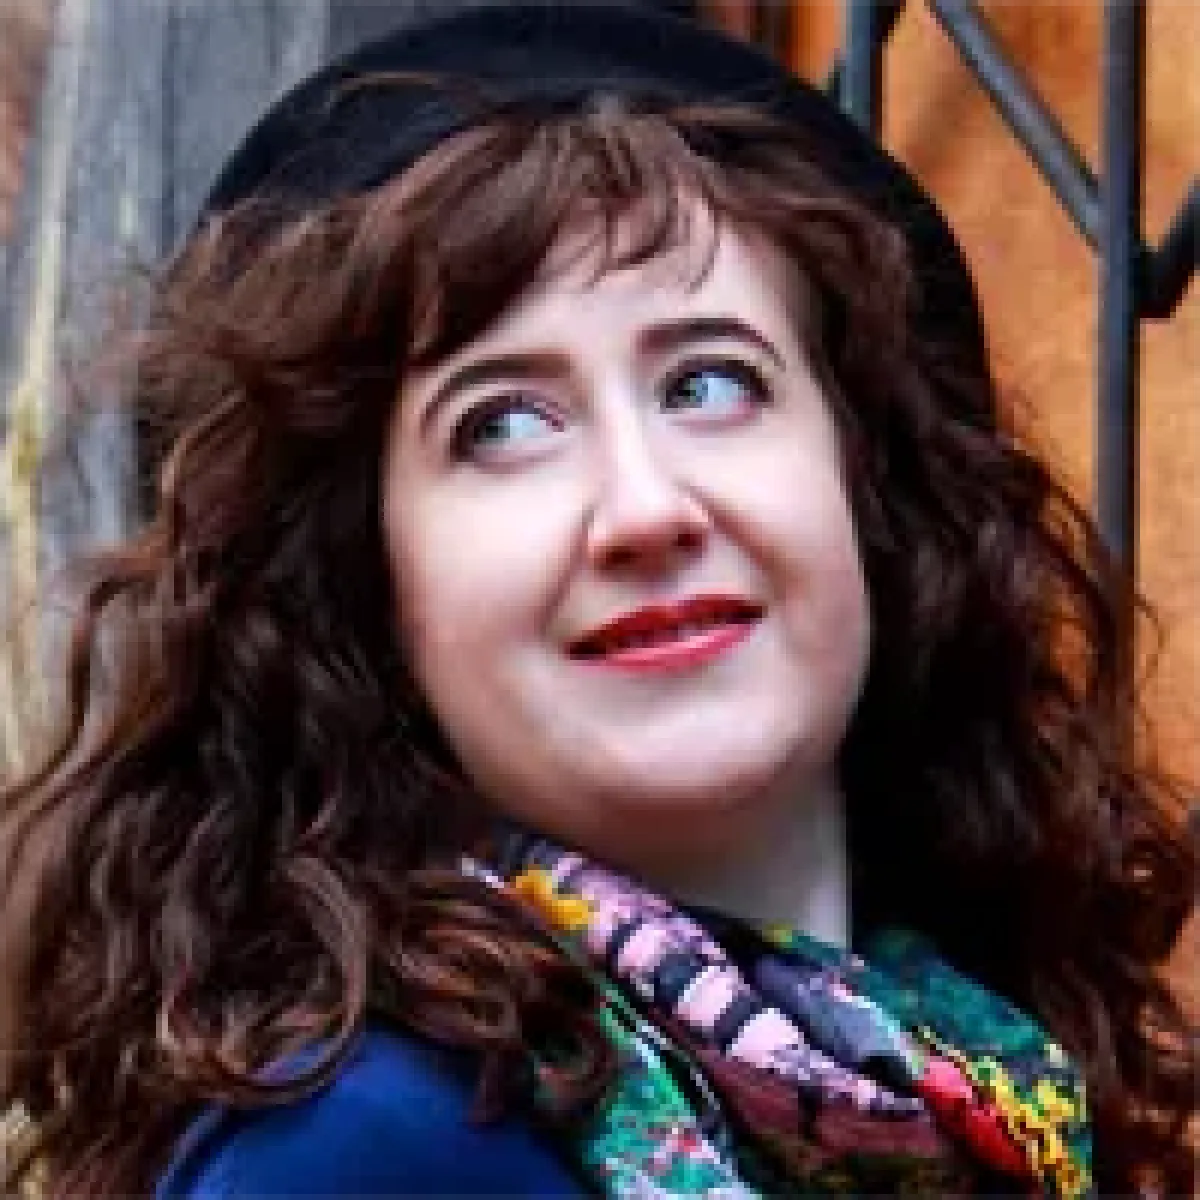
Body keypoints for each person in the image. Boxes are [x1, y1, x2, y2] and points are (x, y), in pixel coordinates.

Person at [0, 4, 1195, 1197]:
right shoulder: (361, 1151)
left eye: (710, 384)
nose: (645, 507)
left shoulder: (997, 1089)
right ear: (365, 595)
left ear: (868, 488)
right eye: (503, 425)